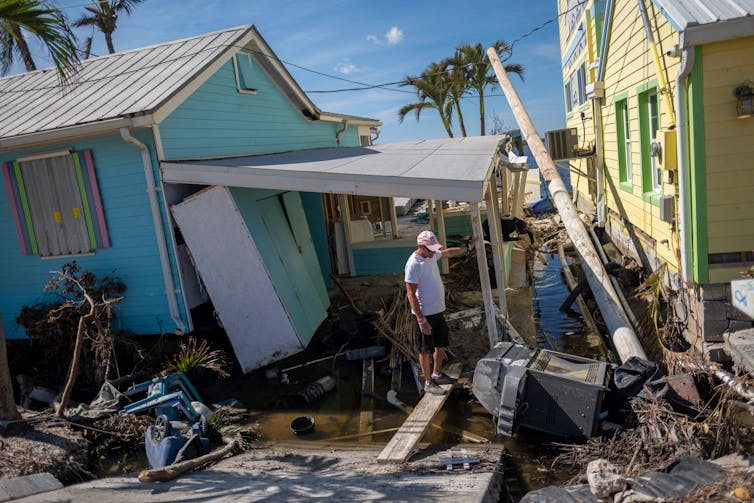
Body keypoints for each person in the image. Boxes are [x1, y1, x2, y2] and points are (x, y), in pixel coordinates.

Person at [404, 230, 469, 395]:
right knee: (425, 350)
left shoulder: (431, 255)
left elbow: (448, 253)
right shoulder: (414, 264)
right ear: (421, 246)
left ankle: (437, 373)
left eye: (434, 248)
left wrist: (467, 247)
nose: (434, 252)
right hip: (424, 316)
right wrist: (421, 320)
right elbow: (410, 294)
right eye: (430, 249)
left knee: (440, 345)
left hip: (438, 312)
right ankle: (428, 382)